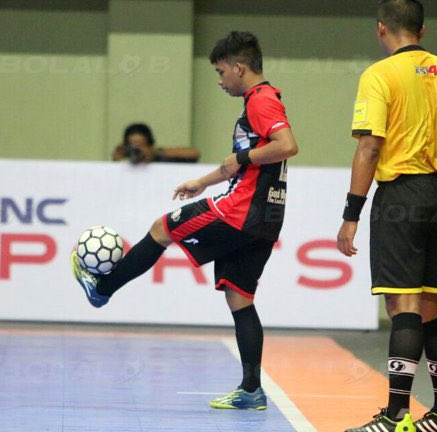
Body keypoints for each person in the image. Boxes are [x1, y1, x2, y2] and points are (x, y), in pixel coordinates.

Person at [73, 31, 297, 410]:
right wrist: (202, 181)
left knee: (163, 228)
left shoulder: (260, 100)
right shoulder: (263, 100)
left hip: (239, 211)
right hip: (266, 216)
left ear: (239, 67)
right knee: (239, 297)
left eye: (221, 70)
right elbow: (244, 164)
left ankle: (103, 288)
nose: (220, 79)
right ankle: (251, 390)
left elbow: (286, 145)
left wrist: (239, 162)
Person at [337, 1, 437, 431]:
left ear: (382, 29)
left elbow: (369, 147)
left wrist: (351, 213)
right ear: (422, 30)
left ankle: (396, 414)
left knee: (403, 304)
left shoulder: (379, 75)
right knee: (430, 304)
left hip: (401, 194)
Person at [112, 123, 200, 163]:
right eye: (132, 146)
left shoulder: (160, 156)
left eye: (140, 146)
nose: (137, 150)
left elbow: (194, 153)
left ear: (150, 144)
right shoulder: (127, 158)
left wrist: (155, 153)